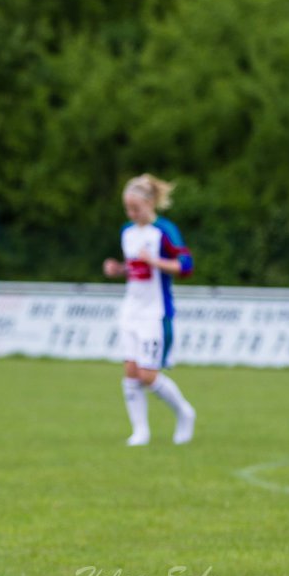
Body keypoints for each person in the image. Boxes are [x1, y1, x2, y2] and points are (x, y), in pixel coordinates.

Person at [101, 174, 196, 446]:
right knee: (130, 372)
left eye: (136, 208)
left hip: (155, 312)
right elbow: (135, 270)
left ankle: (184, 412)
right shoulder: (127, 232)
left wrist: (154, 260)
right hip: (130, 309)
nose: (131, 214)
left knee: (148, 374)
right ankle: (140, 431)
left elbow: (186, 267)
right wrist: (118, 269)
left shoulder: (164, 231)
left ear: (150, 203)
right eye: (127, 209)